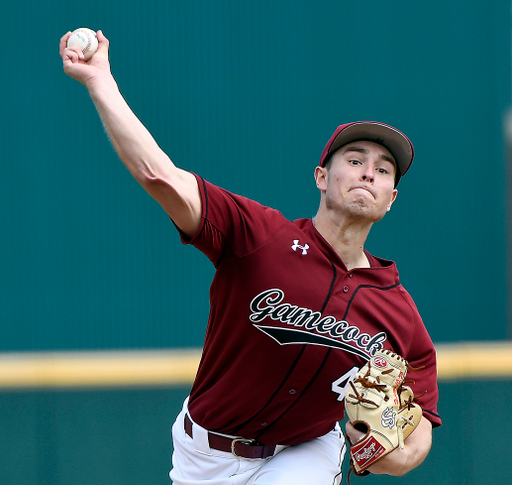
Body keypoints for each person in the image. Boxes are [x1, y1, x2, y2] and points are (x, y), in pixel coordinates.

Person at [60, 30, 441, 485]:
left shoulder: (397, 313)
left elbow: (420, 429)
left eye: (383, 170)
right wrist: (101, 81)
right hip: (204, 453)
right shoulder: (258, 235)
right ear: (321, 176)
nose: (368, 173)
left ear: (391, 198)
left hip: (305, 452)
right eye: (355, 160)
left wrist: (385, 452)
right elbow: (159, 175)